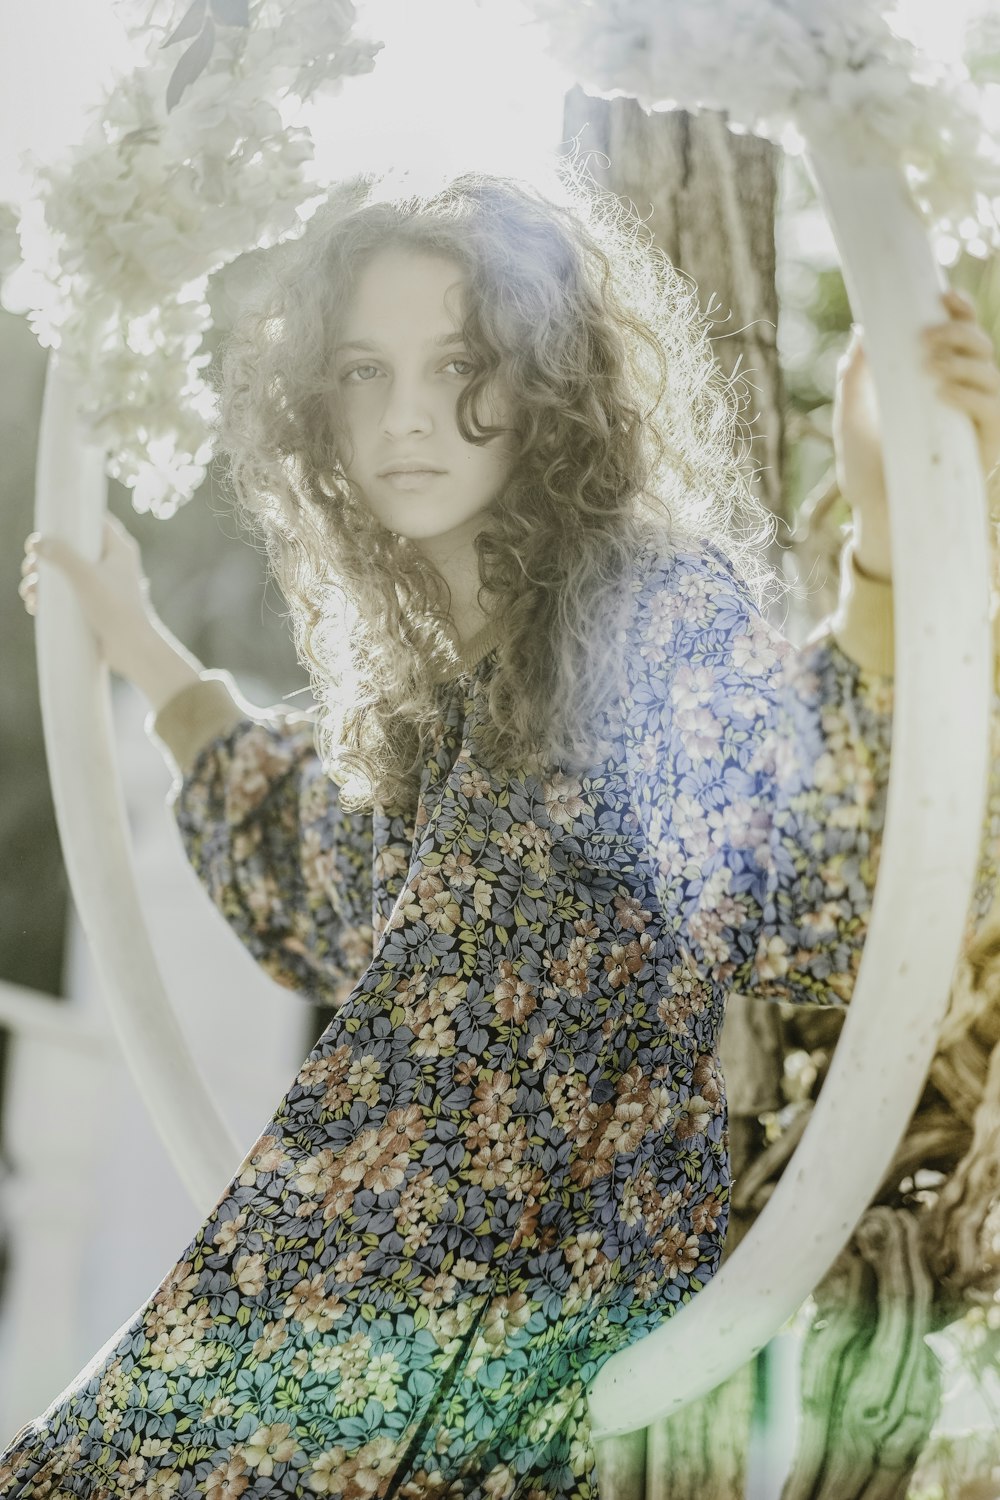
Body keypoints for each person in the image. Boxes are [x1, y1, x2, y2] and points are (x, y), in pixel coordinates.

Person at [8, 168, 1000, 1500]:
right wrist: (137, 644)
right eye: (363, 372)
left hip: (499, 1342)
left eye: (460, 362)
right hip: (313, 1315)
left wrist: (892, 520)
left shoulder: (637, 611)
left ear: (542, 376)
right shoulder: (416, 707)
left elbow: (806, 866)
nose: (408, 416)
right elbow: (304, 860)